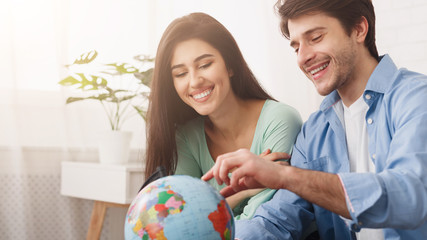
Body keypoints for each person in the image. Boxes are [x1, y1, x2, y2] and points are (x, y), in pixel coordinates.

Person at [202, 0, 427, 239]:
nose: (303, 57)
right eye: (296, 47)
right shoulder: (314, 132)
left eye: (316, 37)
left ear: (359, 29)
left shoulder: (416, 98)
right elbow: (277, 221)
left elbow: (409, 197)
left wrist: (285, 176)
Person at [144, 12, 302, 220]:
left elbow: (267, 219)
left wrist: (210, 209)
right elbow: (184, 220)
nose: (194, 81)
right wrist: (242, 191)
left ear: (230, 65)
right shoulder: (185, 137)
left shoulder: (280, 119)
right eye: (181, 74)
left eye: (205, 65)